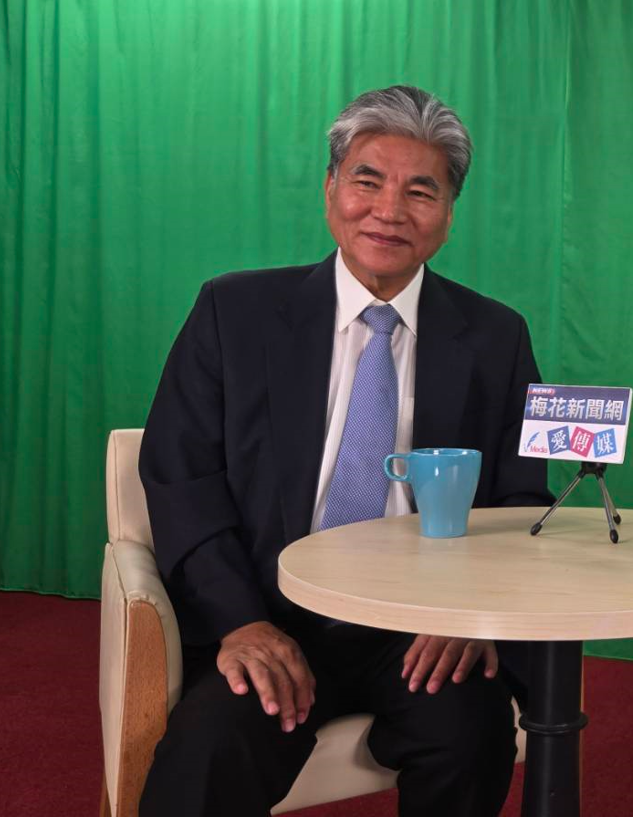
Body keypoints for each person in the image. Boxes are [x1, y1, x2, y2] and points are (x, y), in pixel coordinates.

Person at [138, 85, 552, 816]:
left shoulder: (496, 336)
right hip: (270, 609)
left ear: (449, 214)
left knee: (473, 733)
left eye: (420, 191)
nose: (389, 211)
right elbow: (182, 477)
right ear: (330, 188)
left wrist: (471, 613)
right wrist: (241, 620)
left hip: (422, 624)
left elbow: (521, 499)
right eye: (368, 180)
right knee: (209, 749)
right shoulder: (234, 312)